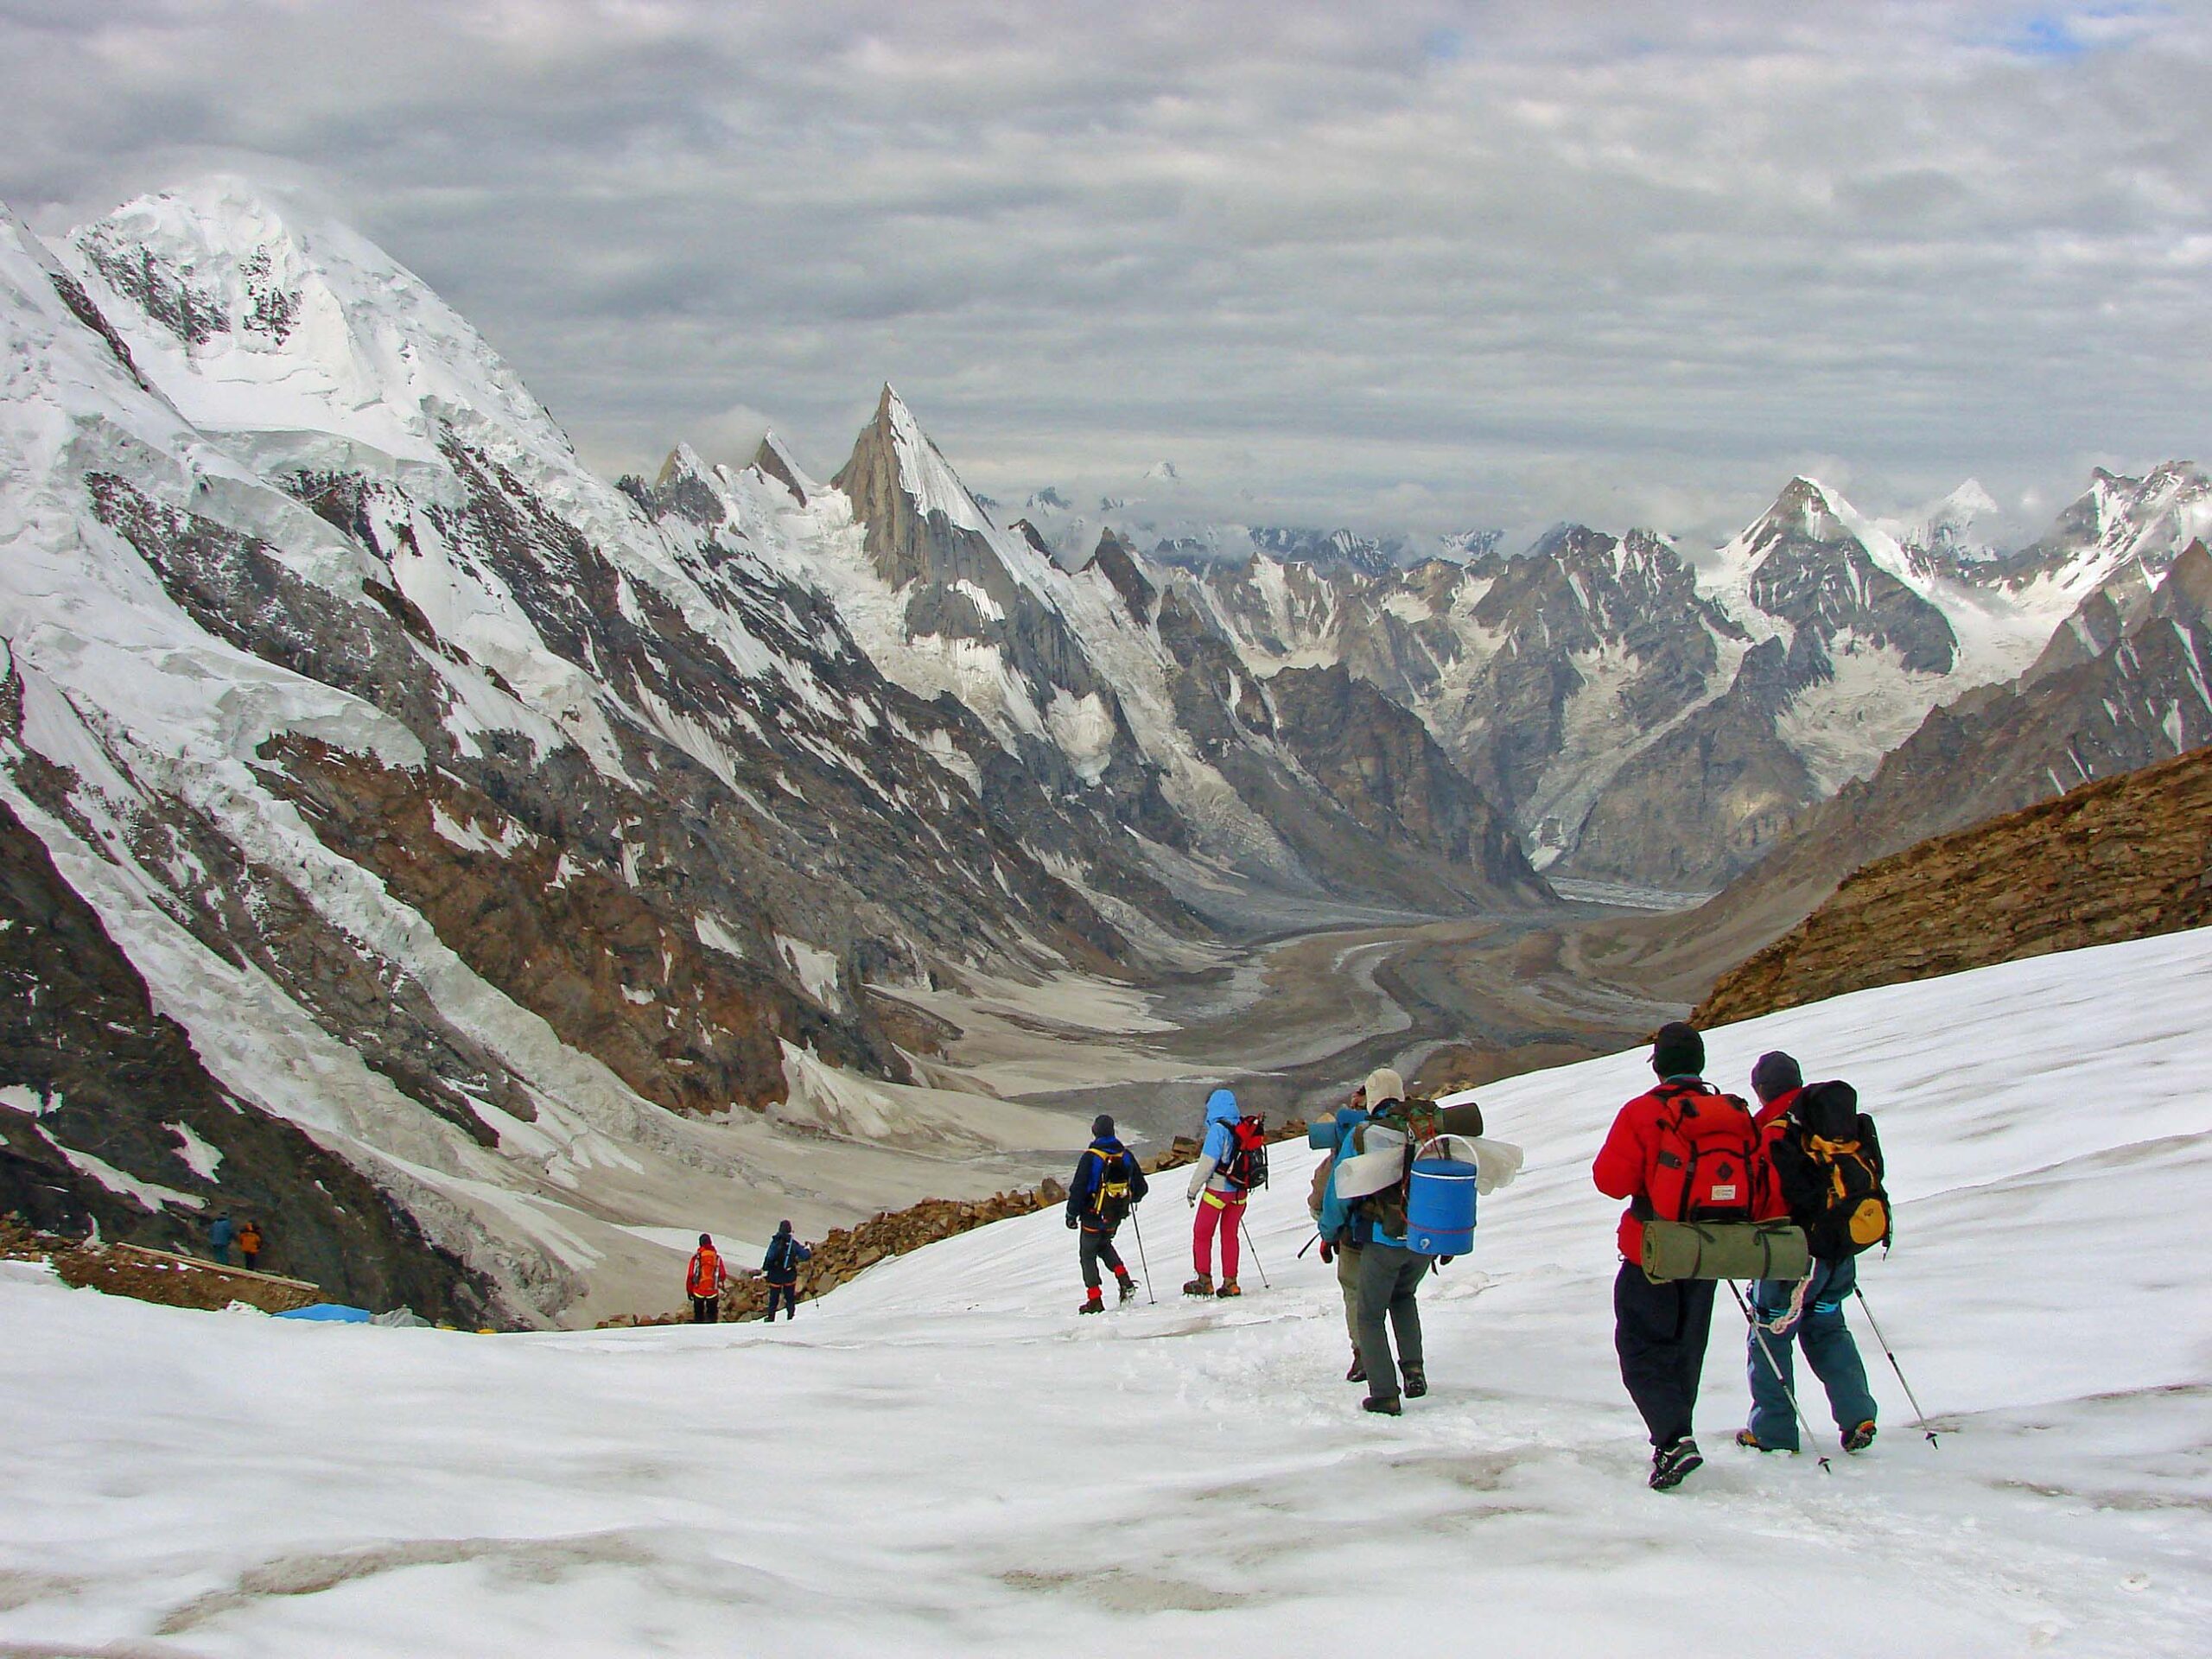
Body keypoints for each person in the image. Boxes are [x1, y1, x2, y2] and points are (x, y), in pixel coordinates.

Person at [1592, 1021, 1768, 1491]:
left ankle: (1674, 1440)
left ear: (1660, 1067)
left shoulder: (1644, 1113)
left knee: (1642, 1347)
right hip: (1711, 1250)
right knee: (1687, 1348)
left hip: (1654, 1249)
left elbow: (1611, 1181)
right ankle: (1674, 1435)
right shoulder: (1733, 1111)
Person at [1737, 1054, 1880, 1456]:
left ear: (1761, 1090)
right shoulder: (1829, 1119)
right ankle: (1858, 1415)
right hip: (1839, 1248)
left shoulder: (1772, 1129)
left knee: (1770, 1334)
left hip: (1792, 1253)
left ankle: (1774, 1431)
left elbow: (1765, 1195)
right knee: (1828, 1326)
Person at [1325, 1067, 1432, 1415]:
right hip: (1422, 1239)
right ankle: (1414, 1371)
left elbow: (1338, 1194)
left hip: (1382, 1238)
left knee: (1369, 1315)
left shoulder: (1365, 1134)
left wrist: (1329, 1233)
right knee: (1404, 1297)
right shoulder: (1425, 1128)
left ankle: (1385, 1393)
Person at [1308, 1082, 1373, 1381]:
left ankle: (1364, 1356)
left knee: (1355, 1292)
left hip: (1357, 1235)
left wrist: (1328, 1233)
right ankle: (1411, 1364)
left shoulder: (1352, 1136)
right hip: (1402, 1231)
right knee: (1400, 1297)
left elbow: (1327, 1194)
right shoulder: (1401, 1128)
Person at [1065, 1114, 1148, 1313]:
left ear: (1095, 1131)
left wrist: (1071, 1214)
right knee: (1103, 1245)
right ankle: (1125, 1281)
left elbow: (1078, 1188)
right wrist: (1128, 1199)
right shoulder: (1125, 1155)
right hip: (1115, 1215)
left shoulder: (1091, 1157)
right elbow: (1141, 1188)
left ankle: (1095, 1300)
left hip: (1092, 1215)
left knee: (1087, 1255)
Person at [1183, 1087, 1255, 1297]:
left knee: (1202, 1234)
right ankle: (1231, 1283)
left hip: (1218, 1191)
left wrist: (1192, 1190)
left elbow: (1207, 1164)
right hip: (1240, 1193)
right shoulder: (1243, 1126)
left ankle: (1204, 1280)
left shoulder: (1218, 1130)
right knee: (1230, 1235)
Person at [763, 1221, 810, 1321]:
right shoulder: (792, 1243)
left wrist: (766, 1270)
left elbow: (769, 1257)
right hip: (789, 1274)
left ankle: (771, 1318)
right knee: (789, 1298)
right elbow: (805, 1256)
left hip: (775, 1275)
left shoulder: (775, 1242)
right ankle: (790, 1317)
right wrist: (808, 1250)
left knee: (773, 1299)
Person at [686, 1233, 728, 1324]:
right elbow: (723, 1274)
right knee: (712, 1316)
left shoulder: (697, 1258)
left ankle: (698, 1332)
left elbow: (690, 1276)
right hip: (712, 1291)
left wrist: (690, 1291)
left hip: (698, 1291)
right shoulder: (717, 1258)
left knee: (698, 1316)